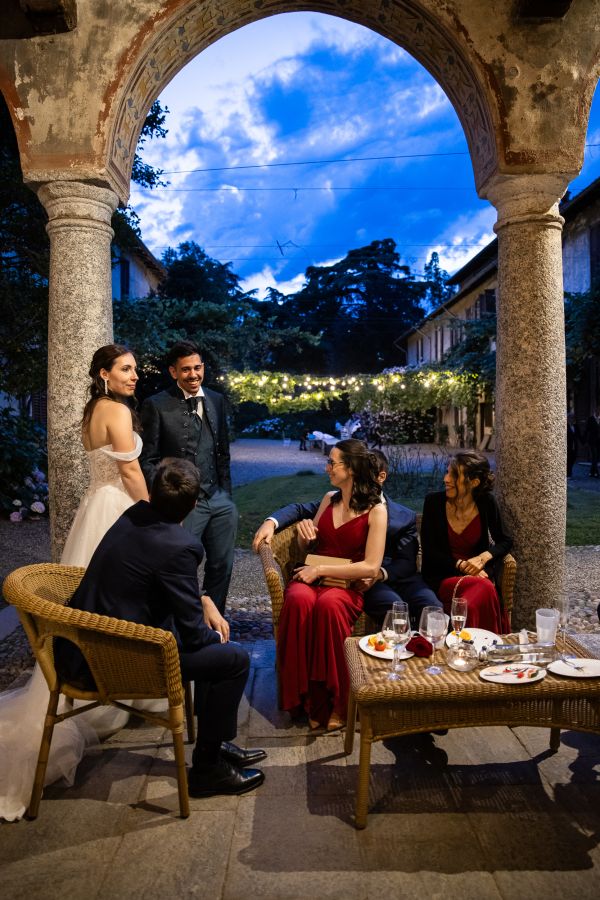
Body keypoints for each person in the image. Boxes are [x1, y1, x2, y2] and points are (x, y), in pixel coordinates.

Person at [54, 458, 265, 798]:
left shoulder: (133, 515)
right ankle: (207, 769)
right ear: (193, 506)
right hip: (117, 660)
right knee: (233, 659)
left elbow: (157, 582)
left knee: (215, 650)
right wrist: (216, 635)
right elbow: (193, 634)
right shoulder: (180, 546)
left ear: (151, 494)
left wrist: (203, 599)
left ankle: (214, 742)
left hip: (81, 645)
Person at [0, 343, 149, 822]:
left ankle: (105, 683)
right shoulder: (116, 411)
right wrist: (153, 515)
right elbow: (129, 469)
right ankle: (115, 685)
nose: (134, 375)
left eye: (134, 369)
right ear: (104, 373)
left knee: (96, 603)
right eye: (125, 369)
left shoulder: (94, 410)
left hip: (96, 507)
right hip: (117, 509)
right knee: (114, 599)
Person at [253, 448, 441, 627]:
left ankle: (431, 645)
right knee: (392, 607)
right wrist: (271, 522)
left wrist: (378, 573)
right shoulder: (341, 501)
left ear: (381, 477)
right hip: (357, 577)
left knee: (432, 607)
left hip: (392, 574)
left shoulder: (404, 516)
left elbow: (407, 562)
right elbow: (299, 509)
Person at [276, 439, 387, 731]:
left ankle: (336, 702)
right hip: (312, 577)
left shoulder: (376, 511)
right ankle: (302, 697)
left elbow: (371, 566)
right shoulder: (329, 499)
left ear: (351, 469)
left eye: (332, 463)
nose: (327, 468)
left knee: (328, 605)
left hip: (344, 586)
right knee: (298, 599)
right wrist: (305, 537)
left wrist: (320, 569)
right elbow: (308, 547)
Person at [140, 341, 237, 613]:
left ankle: (214, 622)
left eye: (197, 368)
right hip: (182, 503)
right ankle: (182, 622)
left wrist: (227, 496)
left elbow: (223, 453)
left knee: (222, 565)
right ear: (173, 372)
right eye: (185, 370)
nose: (193, 375)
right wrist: (168, 502)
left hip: (218, 498)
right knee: (178, 565)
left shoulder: (217, 400)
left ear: (203, 367)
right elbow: (147, 460)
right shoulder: (155, 405)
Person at [420, 450, 512, 634]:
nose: (446, 479)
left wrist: (483, 557)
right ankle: (483, 642)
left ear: (474, 482)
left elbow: (505, 541)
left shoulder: (486, 502)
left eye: (454, 475)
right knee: (484, 589)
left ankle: (469, 643)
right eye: (447, 472)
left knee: (477, 594)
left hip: (478, 577)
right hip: (443, 577)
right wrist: (463, 565)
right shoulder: (433, 502)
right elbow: (430, 551)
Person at [583, 409, 599, 478]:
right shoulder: (591, 419)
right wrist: (584, 440)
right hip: (592, 441)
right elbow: (587, 430)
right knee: (594, 456)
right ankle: (596, 472)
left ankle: (591, 472)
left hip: (599, 442)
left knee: (597, 457)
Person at [567, 412, 578, 479]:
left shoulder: (575, 426)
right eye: (570, 418)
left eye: (573, 418)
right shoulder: (566, 426)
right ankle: (568, 474)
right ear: (568, 419)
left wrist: (584, 441)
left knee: (574, 458)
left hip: (574, 445)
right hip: (568, 445)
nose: (572, 419)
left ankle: (569, 472)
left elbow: (579, 435)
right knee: (569, 459)